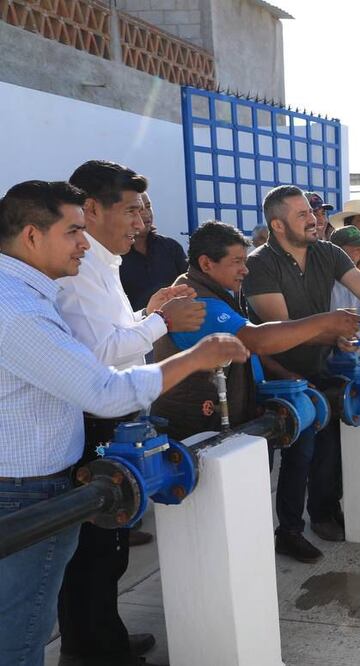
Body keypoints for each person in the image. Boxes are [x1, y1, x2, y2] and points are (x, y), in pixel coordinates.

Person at [0, 180, 249, 666]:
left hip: (34, 483)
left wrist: (148, 316)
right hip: (28, 491)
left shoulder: (28, 294)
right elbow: (104, 390)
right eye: (73, 231)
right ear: (32, 236)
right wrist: (196, 356)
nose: (82, 243)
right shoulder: (19, 310)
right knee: (21, 631)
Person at [56, 160, 207, 665]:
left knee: (111, 548)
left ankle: (107, 638)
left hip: (114, 413)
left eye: (143, 211)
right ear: (92, 208)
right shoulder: (79, 272)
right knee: (93, 551)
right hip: (91, 421)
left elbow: (116, 337)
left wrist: (148, 313)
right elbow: (97, 355)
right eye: (130, 210)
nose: (140, 223)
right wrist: (161, 322)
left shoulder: (105, 263)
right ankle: (91, 651)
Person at [243, 185, 360, 560]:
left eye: (311, 213)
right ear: (278, 226)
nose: (313, 219)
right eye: (302, 215)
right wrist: (331, 328)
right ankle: (289, 530)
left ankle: (325, 513)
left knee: (330, 442)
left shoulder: (326, 252)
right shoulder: (260, 263)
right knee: (300, 450)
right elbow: (280, 329)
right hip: (277, 372)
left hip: (320, 365)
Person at [151, 222, 360, 440]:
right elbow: (256, 340)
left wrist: (284, 374)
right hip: (197, 432)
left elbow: (245, 348)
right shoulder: (198, 303)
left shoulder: (215, 291)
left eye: (245, 261)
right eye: (237, 262)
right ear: (206, 263)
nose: (245, 270)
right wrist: (325, 321)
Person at [119, 191, 187, 311]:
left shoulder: (171, 247)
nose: (146, 213)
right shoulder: (116, 255)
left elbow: (188, 284)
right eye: (138, 209)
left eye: (148, 207)